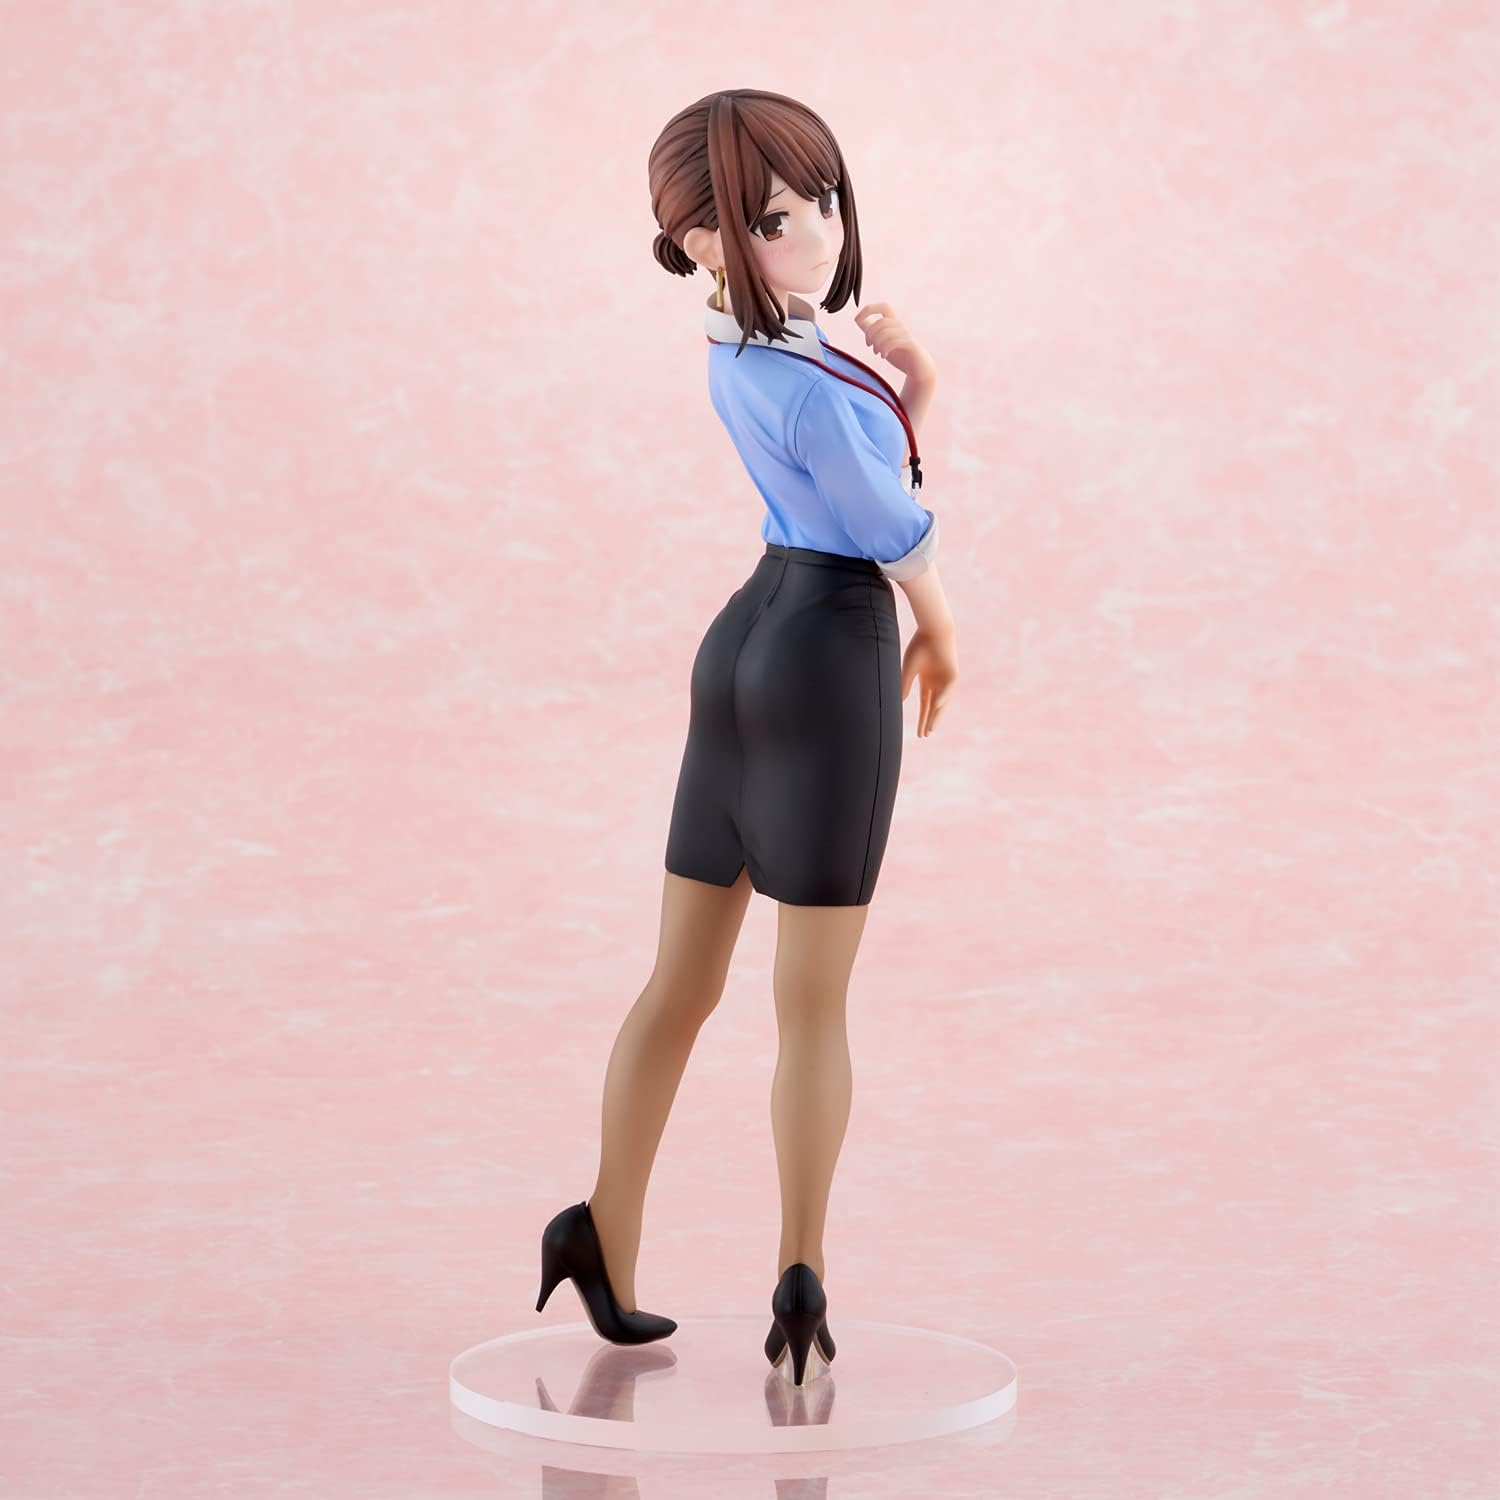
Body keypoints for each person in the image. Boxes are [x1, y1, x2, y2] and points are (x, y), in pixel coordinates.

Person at [536, 88, 959, 1388]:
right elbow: (885, 525)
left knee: (680, 982)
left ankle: (601, 1229)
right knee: (811, 1001)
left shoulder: (747, 355)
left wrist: (915, 391)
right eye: (773, 220)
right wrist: (943, 625)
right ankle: (800, 1275)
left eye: (821, 202)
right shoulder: (808, 380)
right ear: (703, 242)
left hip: (743, 641)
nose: (816, 233)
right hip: (828, 651)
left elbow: (855, 473)